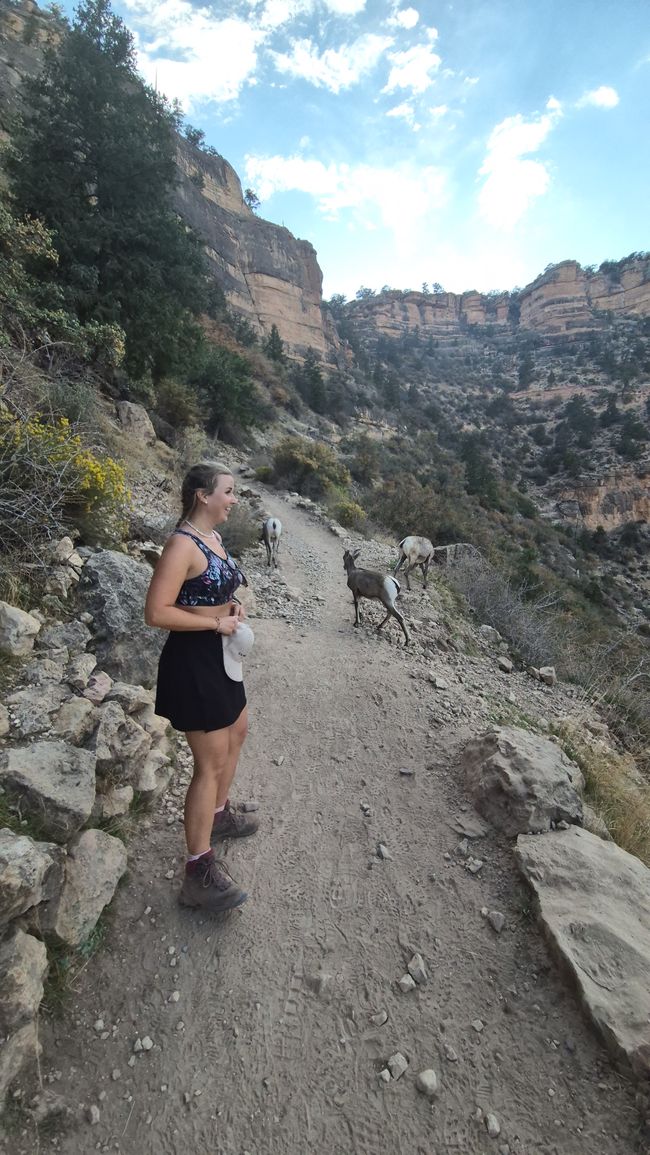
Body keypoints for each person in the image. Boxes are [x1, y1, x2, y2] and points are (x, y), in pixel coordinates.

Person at [145, 461, 257, 912]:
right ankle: (197, 871)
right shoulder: (181, 545)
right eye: (228, 491)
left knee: (238, 732)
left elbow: (210, 592)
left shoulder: (213, 538)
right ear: (203, 496)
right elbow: (156, 613)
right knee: (208, 764)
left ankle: (218, 815)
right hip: (194, 663)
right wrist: (216, 621)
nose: (233, 499)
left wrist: (231, 608)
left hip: (220, 655)